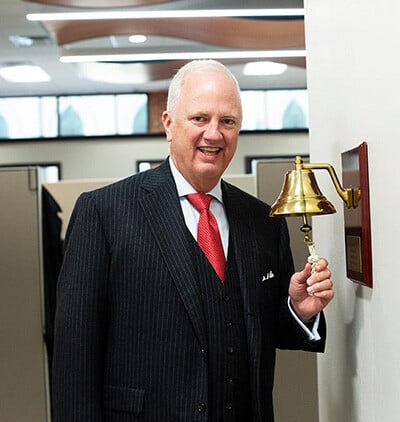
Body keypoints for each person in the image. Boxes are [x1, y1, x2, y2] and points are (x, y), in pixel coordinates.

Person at [52, 59, 334, 422]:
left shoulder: (264, 221)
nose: (214, 134)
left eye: (227, 121)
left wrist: (298, 310)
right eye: (200, 118)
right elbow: (75, 355)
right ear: (169, 124)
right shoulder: (103, 213)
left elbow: (264, 330)